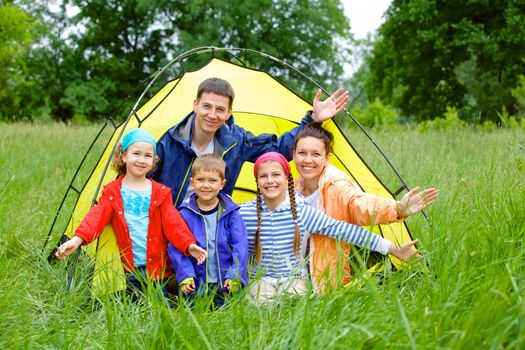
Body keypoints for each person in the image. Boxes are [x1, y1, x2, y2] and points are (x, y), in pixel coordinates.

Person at [239, 152, 420, 304]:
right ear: (257, 180)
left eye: (276, 175)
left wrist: (393, 249)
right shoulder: (244, 213)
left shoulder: (302, 212)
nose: (270, 181)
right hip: (260, 277)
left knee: (293, 302)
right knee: (264, 304)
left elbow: (346, 231)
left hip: (293, 277)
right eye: (263, 176)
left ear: (287, 179)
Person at [55, 128, 207, 299]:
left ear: (153, 161)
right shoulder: (112, 192)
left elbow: (174, 224)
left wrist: (189, 244)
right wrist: (76, 240)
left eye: (148, 156)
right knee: (130, 307)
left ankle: (179, 294)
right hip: (127, 269)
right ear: (124, 156)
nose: (142, 160)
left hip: (156, 270)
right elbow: (96, 217)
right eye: (136, 154)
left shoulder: (160, 193)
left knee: (157, 307)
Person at [151, 77, 349, 206]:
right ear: (195, 106)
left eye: (220, 109)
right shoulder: (170, 141)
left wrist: (313, 120)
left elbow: (277, 150)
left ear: (229, 112)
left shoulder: (236, 140)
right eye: (206, 107)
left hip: (211, 220)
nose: (212, 115)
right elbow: (141, 181)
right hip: (170, 221)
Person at [292, 123, 439, 291]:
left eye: (316, 154)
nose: (308, 160)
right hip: (295, 270)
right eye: (302, 153)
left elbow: (362, 205)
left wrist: (398, 209)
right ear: (294, 155)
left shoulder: (336, 185)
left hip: (325, 276)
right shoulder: (293, 188)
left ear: (327, 158)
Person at [168, 154, 248, 308]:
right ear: (192, 182)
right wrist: (185, 275)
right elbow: (176, 247)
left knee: (227, 321)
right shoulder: (185, 214)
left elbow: (240, 246)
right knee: (195, 321)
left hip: (225, 283)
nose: (206, 185)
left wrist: (235, 276)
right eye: (200, 180)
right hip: (196, 283)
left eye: (212, 180)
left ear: (222, 184)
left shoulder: (231, 213)